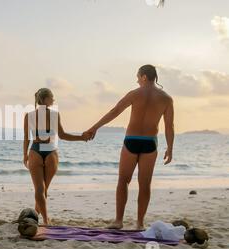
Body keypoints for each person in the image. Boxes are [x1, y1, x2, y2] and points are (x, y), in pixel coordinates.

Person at [85, 64, 175, 230]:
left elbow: (115, 111)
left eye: (137, 76)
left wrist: (94, 127)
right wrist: (170, 148)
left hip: (131, 140)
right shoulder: (166, 98)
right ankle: (140, 223)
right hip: (150, 142)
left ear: (144, 77)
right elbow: (169, 126)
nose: (136, 80)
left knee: (123, 180)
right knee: (145, 184)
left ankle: (119, 221)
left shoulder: (134, 93)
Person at [23, 88, 91, 225]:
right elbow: (63, 135)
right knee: (43, 189)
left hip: (35, 151)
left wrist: (24, 155)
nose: (54, 100)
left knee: (40, 190)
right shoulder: (54, 114)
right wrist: (81, 138)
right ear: (45, 99)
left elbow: (26, 138)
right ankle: (45, 220)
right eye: (52, 97)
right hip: (50, 151)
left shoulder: (28, 115)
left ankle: (39, 217)